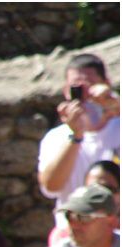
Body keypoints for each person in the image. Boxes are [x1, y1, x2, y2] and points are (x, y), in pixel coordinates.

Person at [38, 53, 120, 224]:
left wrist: (114, 103)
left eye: (89, 87)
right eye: (76, 89)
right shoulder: (56, 137)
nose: (84, 95)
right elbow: (50, 187)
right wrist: (75, 136)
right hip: (73, 231)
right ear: (66, 91)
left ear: (106, 84)